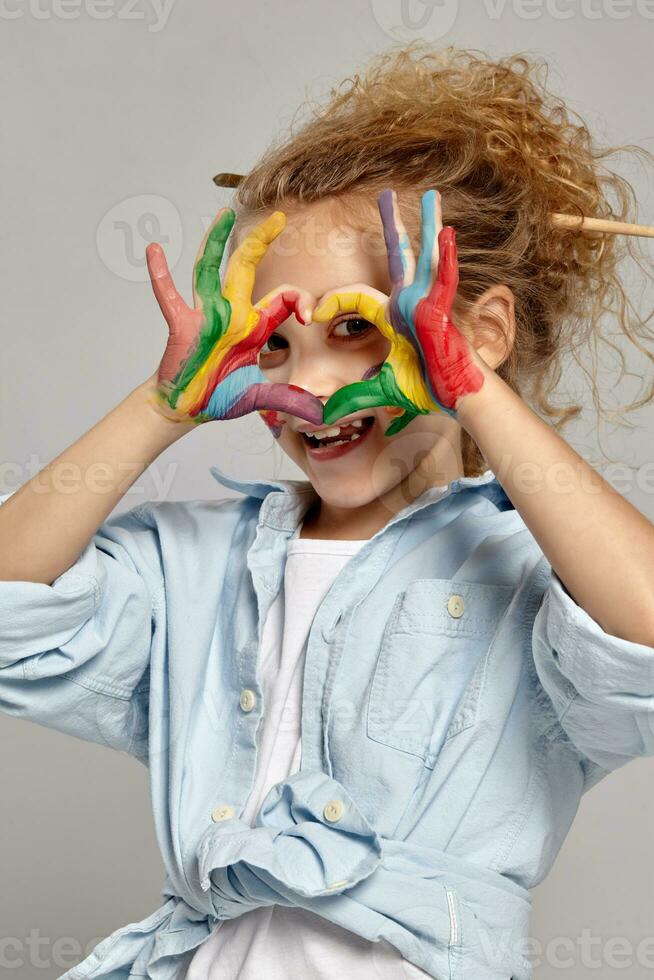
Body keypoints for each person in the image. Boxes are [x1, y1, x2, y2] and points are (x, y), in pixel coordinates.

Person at [1, 43, 654, 980]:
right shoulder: (195, 569)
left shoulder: (527, 577)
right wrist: (159, 408)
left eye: (357, 330)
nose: (309, 386)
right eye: (273, 342)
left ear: (484, 333)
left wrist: (469, 389)